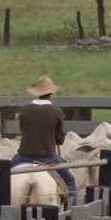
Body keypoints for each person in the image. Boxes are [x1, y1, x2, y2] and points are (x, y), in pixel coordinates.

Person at [11, 75, 77, 205]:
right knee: (70, 181)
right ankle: (71, 211)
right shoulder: (56, 112)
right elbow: (59, 139)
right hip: (48, 158)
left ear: (36, 93)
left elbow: (23, 130)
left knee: (0, 178)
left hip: (24, 157)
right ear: (51, 93)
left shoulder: (25, 110)